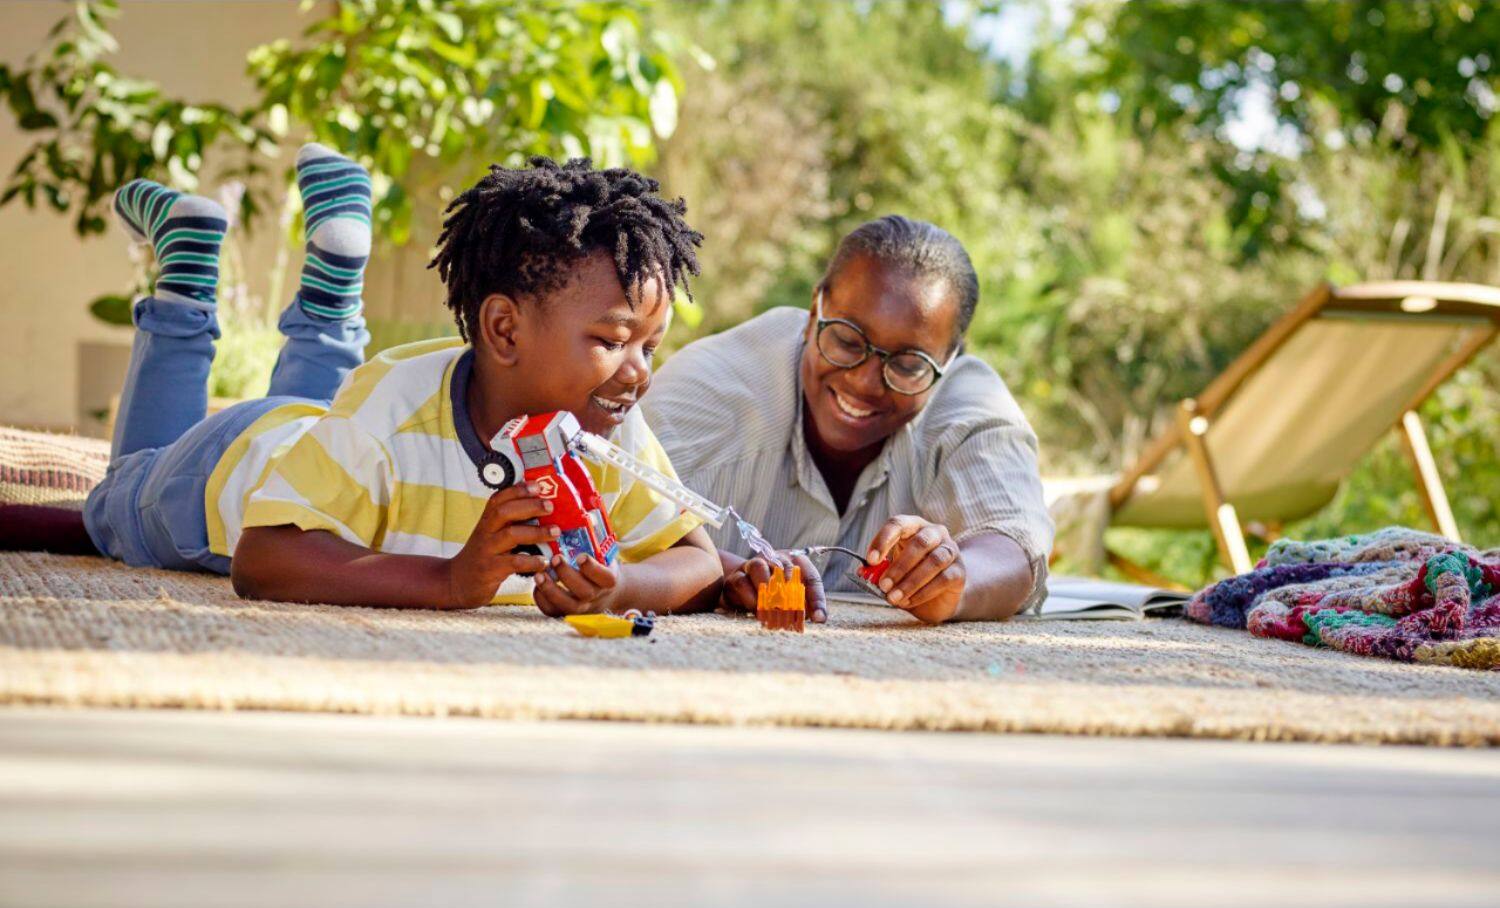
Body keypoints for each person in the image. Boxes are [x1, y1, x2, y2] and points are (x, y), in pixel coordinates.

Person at [1, 148, 722, 616]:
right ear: (504, 331)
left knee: (340, 416)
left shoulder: (607, 424)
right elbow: (264, 559)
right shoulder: (395, 404)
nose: (640, 373)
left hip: (324, 434)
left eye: (651, 346)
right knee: (115, 499)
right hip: (224, 472)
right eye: (612, 342)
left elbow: (696, 558)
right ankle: (184, 283)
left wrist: (623, 587)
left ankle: (333, 282)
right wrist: (449, 580)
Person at [641, 215, 1053, 624]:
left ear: (951, 359)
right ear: (813, 312)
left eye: (908, 364)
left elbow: (1015, 546)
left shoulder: (971, 406)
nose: (864, 382)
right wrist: (724, 571)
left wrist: (956, 581)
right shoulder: (708, 392)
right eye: (846, 340)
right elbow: (616, 518)